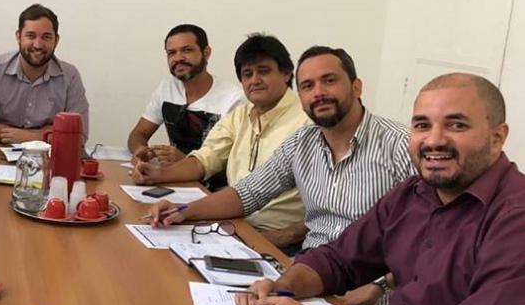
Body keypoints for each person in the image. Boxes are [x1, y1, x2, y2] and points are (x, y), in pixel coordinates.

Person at [235, 73, 525, 305]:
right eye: (422, 125)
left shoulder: (514, 218)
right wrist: (283, 287)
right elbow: (338, 259)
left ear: (497, 137)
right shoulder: (414, 193)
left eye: (456, 125)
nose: (434, 140)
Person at [150, 46, 415, 248]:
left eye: (329, 80)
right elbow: (247, 193)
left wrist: (378, 288)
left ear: (356, 87)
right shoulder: (302, 142)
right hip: (312, 268)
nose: (318, 93)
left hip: (364, 284)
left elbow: (426, 236)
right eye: (308, 86)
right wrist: (182, 211)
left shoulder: (402, 146)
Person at [133, 34, 310, 249]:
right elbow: (204, 160)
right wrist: (158, 177)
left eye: (263, 71)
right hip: (234, 226)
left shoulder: (308, 123)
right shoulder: (240, 115)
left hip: (281, 239)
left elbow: (328, 208)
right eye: (247, 74)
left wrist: (283, 236)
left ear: (287, 73)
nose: (254, 80)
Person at [0, 3, 90, 144]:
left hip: (50, 155)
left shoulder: (70, 76)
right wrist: (49, 133)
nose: (38, 45)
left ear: (56, 41)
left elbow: (79, 135)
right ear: (18, 37)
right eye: (31, 36)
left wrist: (32, 136)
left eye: (46, 37)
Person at [127, 24, 243, 166]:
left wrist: (186, 161)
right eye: (171, 53)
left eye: (187, 50)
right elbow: (138, 133)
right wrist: (140, 150)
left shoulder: (232, 99)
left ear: (206, 53)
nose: (178, 58)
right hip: (171, 175)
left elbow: (236, 164)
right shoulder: (167, 87)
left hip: (210, 180)